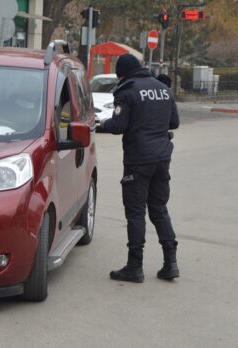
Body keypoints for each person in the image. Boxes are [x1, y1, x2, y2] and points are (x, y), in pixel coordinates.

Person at [97, 54, 180, 283]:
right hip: (162, 158)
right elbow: (174, 123)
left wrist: (103, 123)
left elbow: (119, 125)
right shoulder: (162, 88)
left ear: (122, 73)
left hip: (138, 160)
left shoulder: (127, 90)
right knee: (159, 209)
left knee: (135, 213)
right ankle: (170, 264)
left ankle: (135, 267)